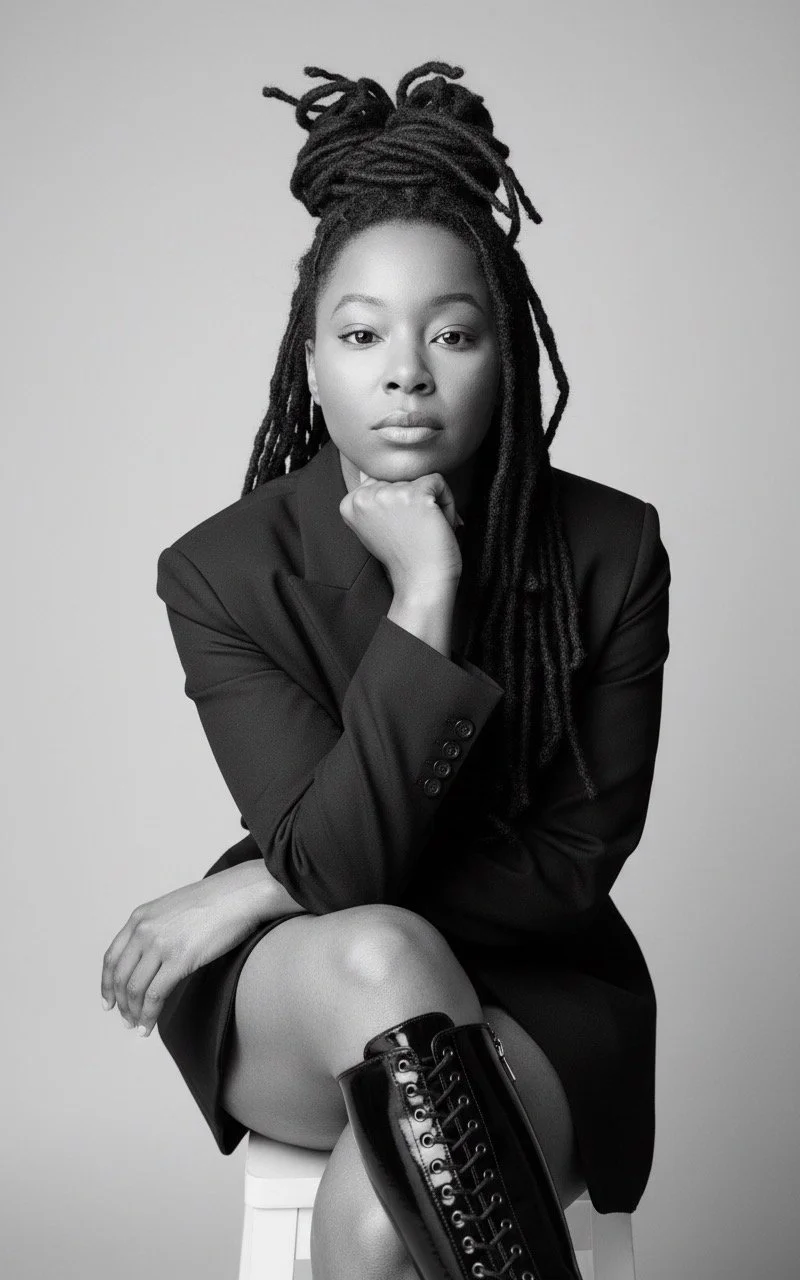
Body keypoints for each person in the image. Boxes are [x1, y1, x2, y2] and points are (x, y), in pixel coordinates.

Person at [100, 62, 671, 1280]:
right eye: (361, 334)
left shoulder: (612, 548)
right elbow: (347, 877)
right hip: (303, 1001)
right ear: (310, 363)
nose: (405, 370)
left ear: (502, 355)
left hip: (540, 993)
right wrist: (423, 598)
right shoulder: (221, 571)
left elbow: (566, 875)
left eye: (451, 333)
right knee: (375, 951)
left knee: (372, 1226)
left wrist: (257, 883)